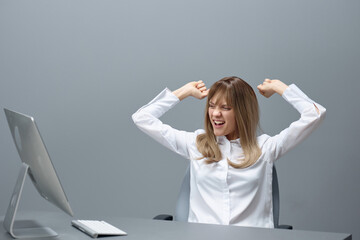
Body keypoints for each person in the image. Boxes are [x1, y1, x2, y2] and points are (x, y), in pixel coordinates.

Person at [132, 76, 326, 228]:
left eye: (225, 108)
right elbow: (142, 117)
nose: (215, 113)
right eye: (211, 105)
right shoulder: (197, 144)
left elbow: (315, 114)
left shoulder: (265, 149)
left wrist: (279, 88)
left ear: (242, 112)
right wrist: (183, 92)